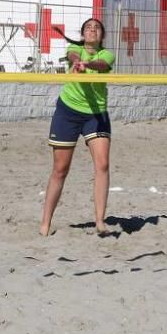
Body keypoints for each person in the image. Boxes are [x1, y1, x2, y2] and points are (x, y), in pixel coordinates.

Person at [39, 18, 115, 237]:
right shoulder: (75, 49)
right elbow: (73, 55)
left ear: (102, 35)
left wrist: (87, 65)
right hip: (69, 111)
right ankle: (45, 222)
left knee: (103, 164)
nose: (92, 30)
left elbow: (102, 65)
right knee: (60, 169)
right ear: (83, 34)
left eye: (97, 28)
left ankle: (100, 222)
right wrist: (77, 62)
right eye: (88, 28)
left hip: (96, 114)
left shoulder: (106, 55)